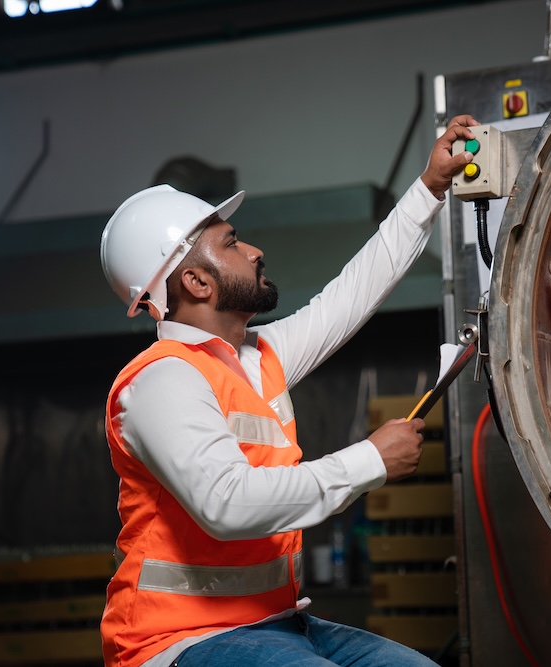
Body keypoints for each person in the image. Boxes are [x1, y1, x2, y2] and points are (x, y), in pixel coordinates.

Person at [98, 114, 479, 667]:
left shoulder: (259, 356)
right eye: (231, 243)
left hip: (278, 623)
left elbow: (352, 294)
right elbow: (227, 503)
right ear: (196, 282)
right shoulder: (161, 380)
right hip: (177, 641)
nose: (254, 250)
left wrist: (429, 188)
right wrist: (370, 460)